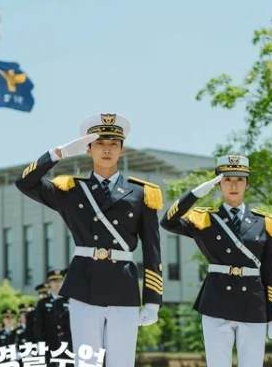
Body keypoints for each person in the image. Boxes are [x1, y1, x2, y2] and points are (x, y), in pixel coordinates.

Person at [15, 113, 163, 365]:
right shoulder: (70, 190)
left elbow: (152, 250)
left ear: (122, 150)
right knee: (87, 362)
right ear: (88, 149)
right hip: (84, 285)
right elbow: (25, 183)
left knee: (121, 362)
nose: (106, 150)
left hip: (123, 286)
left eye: (113, 144)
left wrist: (152, 300)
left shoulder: (141, 193)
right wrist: (58, 153)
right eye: (100, 144)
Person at [160, 155, 272, 367]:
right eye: (227, 180)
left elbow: (271, 272)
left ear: (247, 184)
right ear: (218, 184)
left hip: (253, 302)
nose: (233, 185)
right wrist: (195, 194)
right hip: (217, 301)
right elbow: (168, 222)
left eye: (239, 179)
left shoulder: (264, 222)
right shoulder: (204, 219)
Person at [34, 269, 71, 359]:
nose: (57, 284)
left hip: (66, 345)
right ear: (49, 283)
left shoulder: (69, 301)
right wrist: (40, 343)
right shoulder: (42, 303)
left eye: (59, 281)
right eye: (54, 281)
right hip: (49, 344)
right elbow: (38, 325)